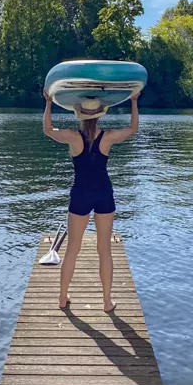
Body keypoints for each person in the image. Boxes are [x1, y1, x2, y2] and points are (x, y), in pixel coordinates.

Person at [42, 91, 140, 312]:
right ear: (100, 115)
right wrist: (134, 101)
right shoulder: (108, 136)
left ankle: (62, 297)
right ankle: (107, 301)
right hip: (103, 193)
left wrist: (48, 103)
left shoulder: (73, 137)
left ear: (79, 115)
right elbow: (133, 129)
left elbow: (48, 130)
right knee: (104, 249)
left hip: (80, 195)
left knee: (72, 249)